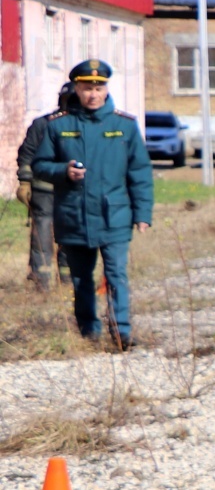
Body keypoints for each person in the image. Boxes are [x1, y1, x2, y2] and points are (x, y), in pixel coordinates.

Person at [33, 59, 153, 346]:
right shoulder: (58, 125)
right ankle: (89, 333)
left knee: (116, 275)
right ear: (77, 88)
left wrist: (143, 213)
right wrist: (63, 171)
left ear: (106, 89)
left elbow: (140, 172)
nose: (93, 94)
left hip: (115, 215)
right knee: (80, 279)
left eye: (98, 88)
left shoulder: (124, 125)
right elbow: (40, 165)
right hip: (74, 215)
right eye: (87, 88)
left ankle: (121, 333)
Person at [14, 82, 73, 292]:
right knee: (42, 233)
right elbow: (27, 154)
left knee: (71, 234)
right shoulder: (43, 124)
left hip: (72, 192)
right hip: (44, 190)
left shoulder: (85, 126)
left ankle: (69, 279)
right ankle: (42, 281)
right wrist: (24, 182)